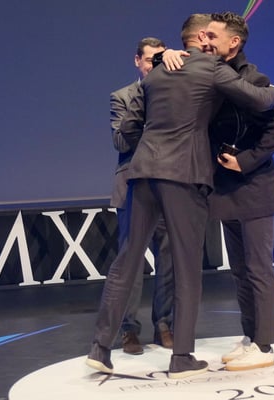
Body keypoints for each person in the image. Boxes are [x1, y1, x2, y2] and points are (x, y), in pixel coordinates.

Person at [86, 13, 274, 379]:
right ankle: (182, 358)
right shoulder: (211, 69)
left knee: (125, 261)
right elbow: (259, 99)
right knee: (187, 268)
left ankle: (99, 349)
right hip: (184, 175)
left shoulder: (156, 72)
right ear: (203, 38)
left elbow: (132, 126)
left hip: (142, 171)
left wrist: (165, 58)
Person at [206, 12, 274, 371]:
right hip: (227, 192)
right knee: (240, 270)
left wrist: (246, 161)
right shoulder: (212, 77)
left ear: (233, 42)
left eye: (213, 36)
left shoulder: (253, 80)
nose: (206, 42)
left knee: (258, 269)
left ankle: (265, 346)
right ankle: (251, 336)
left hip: (256, 189)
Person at [110, 37, 174, 355]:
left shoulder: (175, 94)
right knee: (131, 264)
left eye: (159, 60)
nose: (153, 66)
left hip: (168, 185)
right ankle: (128, 330)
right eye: (149, 60)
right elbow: (121, 143)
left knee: (169, 260)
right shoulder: (122, 97)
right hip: (134, 186)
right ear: (137, 61)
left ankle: (164, 325)